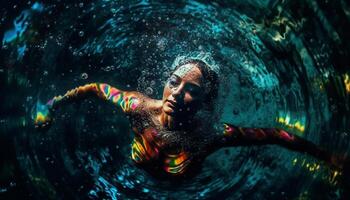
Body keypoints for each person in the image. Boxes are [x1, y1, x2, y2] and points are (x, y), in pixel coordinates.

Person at [34, 58, 347, 179]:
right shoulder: (138, 107)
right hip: (141, 164)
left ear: (203, 102)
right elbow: (95, 88)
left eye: (191, 90)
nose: (175, 93)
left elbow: (275, 135)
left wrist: (325, 156)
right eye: (174, 81)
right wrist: (53, 104)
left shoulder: (213, 135)